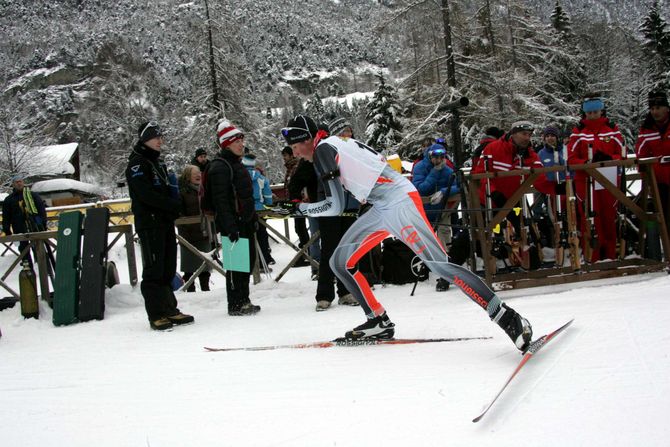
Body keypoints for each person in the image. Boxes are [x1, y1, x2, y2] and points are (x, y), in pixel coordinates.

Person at [280, 114, 534, 352]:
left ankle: (508, 318)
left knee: (440, 266)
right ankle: (377, 320)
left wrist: (298, 208)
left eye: (295, 146)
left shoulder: (324, 148)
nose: (295, 153)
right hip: (381, 204)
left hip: (398, 202)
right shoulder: (332, 143)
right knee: (340, 263)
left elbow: (334, 205)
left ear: (306, 139)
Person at [125, 121, 194, 330]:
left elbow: (166, 189)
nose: (160, 141)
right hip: (150, 223)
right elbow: (145, 195)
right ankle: (156, 314)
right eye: (156, 137)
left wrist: (177, 204)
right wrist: (171, 205)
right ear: (145, 139)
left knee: (167, 268)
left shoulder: (158, 163)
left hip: (164, 222)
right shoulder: (137, 163)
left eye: (161, 137)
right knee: (154, 270)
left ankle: (169, 309)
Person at [202, 119, 260, 316]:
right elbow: (221, 201)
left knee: (247, 261)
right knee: (237, 265)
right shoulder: (221, 166)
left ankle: (244, 300)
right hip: (233, 224)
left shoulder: (236, 164)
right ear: (227, 143)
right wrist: (229, 226)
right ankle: (236, 303)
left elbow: (244, 195)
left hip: (244, 221)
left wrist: (252, 218)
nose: (241, 145)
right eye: (237, 142)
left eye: (241, 141)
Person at [567, 94, 625, 262]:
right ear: (584, 113)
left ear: (601, 110)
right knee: (589, 218)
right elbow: (571, 158)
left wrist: (608, 159)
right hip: (585, 181)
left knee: (609, 217)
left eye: (595, 111)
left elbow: (622, 153)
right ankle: (593, 255)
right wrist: (587, 162)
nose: (592, 115)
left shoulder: (612, 129)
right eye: (589, 112)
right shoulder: (578, 132)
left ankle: (611, 255)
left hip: (609, 180)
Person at [411, 144, 460, 291]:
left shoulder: (447, 170)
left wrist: (444, 192)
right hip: (424, 210)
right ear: (430, 156)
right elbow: (420, 188)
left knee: (444, 236)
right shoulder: (421, 167)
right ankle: (428, 267)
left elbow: (458, 185)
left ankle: (445, 271)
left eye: (441, 157)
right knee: (427, 239)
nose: (438, 160)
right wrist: (434, 172)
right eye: (435, 157)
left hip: (442, 210)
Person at [635, 90, 670, 240]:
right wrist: (646, 180)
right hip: (659, 182)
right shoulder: (646, 130)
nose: (655, 112)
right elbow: (641, 157)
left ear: (666, 108)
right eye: (652, 108)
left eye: (658, 108)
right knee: (666, 218)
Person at [177, 165, 211, 292]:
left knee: (205, 266)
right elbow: (179, 214)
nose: (198, 175)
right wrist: (186, 227)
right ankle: (190, 291)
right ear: (187, 176)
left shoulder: (205, 190)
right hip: (188, 235)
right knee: (189, 268)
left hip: (204, 233)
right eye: (194, 173)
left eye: (199, 172)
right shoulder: (182, 192)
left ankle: (205, 290)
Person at [1, 174, 47, 266]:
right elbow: (6, 216)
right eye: (16, 182)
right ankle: (28, 268)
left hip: (34, 226)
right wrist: (7, 229)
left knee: (38, 246)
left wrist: (43, 223)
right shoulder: (9, 200)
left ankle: (42, 267)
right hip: (19, 228)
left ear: (23, 182)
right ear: (13, 184)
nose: (19, 184)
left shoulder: (32, 195)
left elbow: (41, 209)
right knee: (23, 249)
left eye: (20, 181)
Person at [242, 153, 275, 269]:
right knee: (262, 235)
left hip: (244, 210)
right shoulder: (261, 178)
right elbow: (268, 195)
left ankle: (249, 265)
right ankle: (264, 261)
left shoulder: (239, 176)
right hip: (260, 210)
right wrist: (268, 206)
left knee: (247, 237)